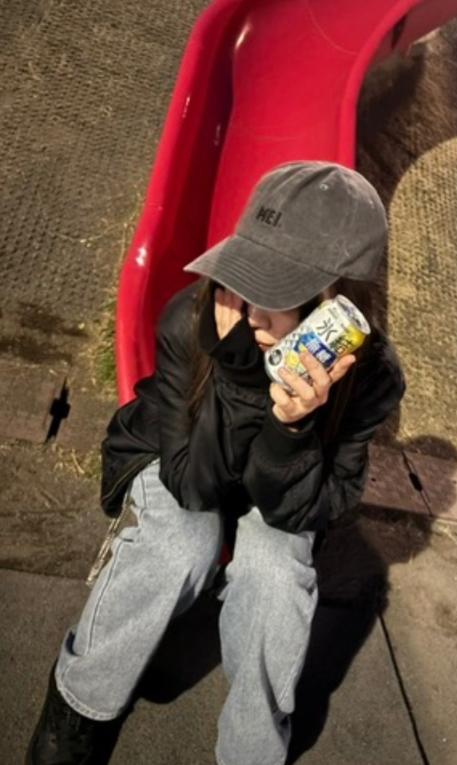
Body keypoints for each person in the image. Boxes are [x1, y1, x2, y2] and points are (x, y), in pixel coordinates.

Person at [26, 160, 406, 765]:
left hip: (277, 490)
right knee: (180, 542)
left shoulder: (373, 379)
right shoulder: (194, 319)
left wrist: (290, 428)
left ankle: (251, 753)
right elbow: (191, 485)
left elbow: (308, 510)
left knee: (276, 575)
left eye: (277, 291)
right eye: (248, 276)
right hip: (178, 457)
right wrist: (241, 377)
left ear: (338, 302)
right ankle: (79, 705)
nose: (251, 312)